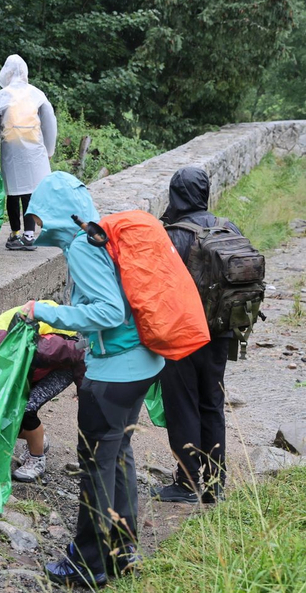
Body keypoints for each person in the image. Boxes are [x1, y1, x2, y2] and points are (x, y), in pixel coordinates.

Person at [21, 172, 164, 587]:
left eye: (38, 216)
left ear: (54, 214)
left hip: (115, 372)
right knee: (118, 456)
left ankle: (88, 564)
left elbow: (109, 312)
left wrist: (46, 310)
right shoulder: (99, 237)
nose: (36, 226)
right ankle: (122, 550)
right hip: (143, 364)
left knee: (96, 466)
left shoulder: (84, 247)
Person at [151, 167, 241, 504]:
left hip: (181, 335)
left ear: (175, 194)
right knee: (212, 404)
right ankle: (215, 483)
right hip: (222, 331)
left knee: (183, 405)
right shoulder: (228, 227)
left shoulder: (172, 235)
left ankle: (187, 483)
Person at [0, 302, 85, 481]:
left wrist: (85, 392)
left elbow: (81, 354)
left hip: (67, 358)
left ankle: (37, 459)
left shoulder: (47, 348)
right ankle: (38, 438)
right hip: (29, 359)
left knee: (26, 408)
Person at [0, 54, 56, 251]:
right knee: (30, 193)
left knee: (13, 193)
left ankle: (15, 234)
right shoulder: (37, 94)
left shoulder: (0, 96)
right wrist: (49, 149)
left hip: (12, 150)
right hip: (34, 150)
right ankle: (29, 235)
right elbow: (50, 122)